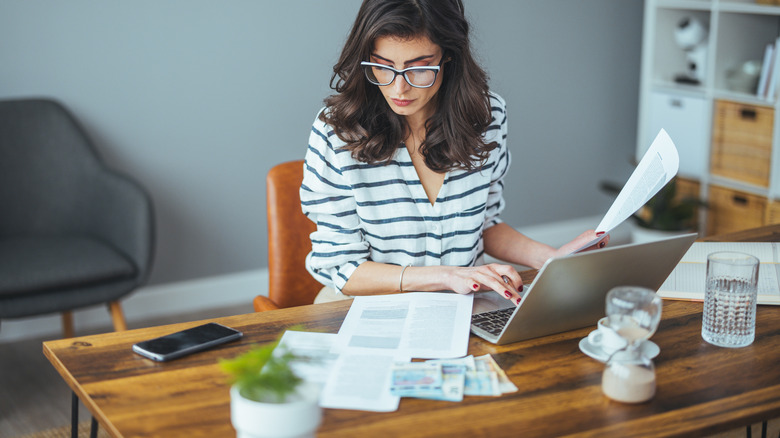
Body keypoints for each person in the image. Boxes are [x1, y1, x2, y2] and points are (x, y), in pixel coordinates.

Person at [300, 0, 608, 305]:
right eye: (382, 67)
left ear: (448, 55)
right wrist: (445, 276)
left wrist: (550, 258)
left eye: (419, 69)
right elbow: (342, 267)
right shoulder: (337, 132)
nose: (398, 89)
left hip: (458, 304)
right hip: (367, 306)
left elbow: (484, 225)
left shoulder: (487, 118)